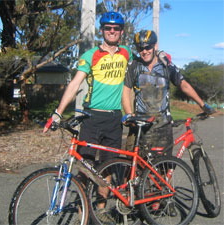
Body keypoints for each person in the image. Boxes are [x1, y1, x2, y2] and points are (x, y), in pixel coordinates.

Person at [44, 11, 132, 224]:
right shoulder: (90, 55)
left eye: (116, 28)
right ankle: (84, 212)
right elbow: (75, 84)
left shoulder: (127, 53)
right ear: (102, 30)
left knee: (108, 167)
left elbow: (126, 86)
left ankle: (100, 211)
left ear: (121, 32)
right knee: (85, 166)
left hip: (114, 119)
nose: (112, 31)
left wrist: (130, 112)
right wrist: (57, 112)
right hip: (91, 118)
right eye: (108, 28)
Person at [122, 29, 214, 161]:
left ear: (155, 46)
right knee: (135, 167)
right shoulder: (134, 66)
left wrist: (202, 104)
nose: (144, 51)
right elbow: (126, 91)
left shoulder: (166, 66)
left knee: (163, 169)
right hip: (141, 124)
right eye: (140, 48)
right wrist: (130, 114)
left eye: (148, 47)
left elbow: (184, 85)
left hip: (162, 125)